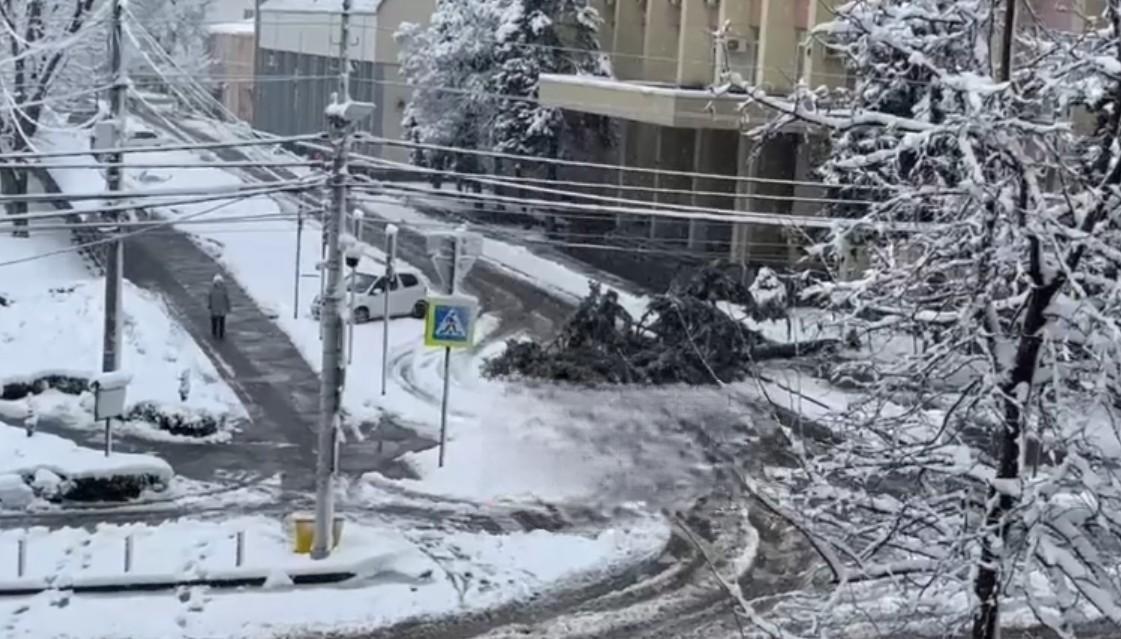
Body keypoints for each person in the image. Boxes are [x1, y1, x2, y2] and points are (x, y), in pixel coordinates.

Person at [208, 274, 231, 340]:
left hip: (214, 309)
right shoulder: (224, 289)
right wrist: (228, 307)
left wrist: (209, 305)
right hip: (221, 309)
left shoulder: (212, 289)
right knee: (221, 322)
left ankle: (215, 333)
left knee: (215, 322)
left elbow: (209, 297)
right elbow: (227, 299)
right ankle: (220, 334)